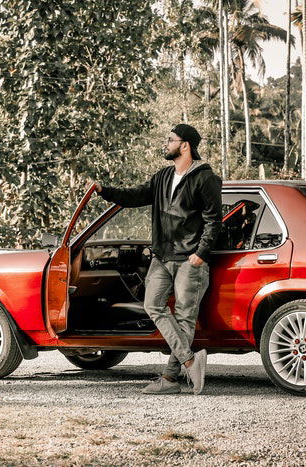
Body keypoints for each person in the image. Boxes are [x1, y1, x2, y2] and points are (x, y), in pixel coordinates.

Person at [93, 124, 222, 395]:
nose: (166, 144)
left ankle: (170, 379)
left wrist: (200, 254)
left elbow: (213, 221)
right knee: (153, 305)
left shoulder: (205, 178)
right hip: (162, 257)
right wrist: (105, 190)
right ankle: (189, 360)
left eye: (170, 140)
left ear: (184, 145)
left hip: (190, 260)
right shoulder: (163, 177)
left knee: (186, 318)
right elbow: (135, 195)